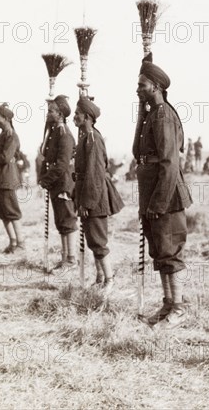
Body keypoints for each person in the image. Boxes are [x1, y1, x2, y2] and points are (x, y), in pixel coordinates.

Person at [132, 54, 193, 330]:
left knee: (170, 250)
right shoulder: (151, 115)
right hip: (153, 192)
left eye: (142, 85)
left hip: (165, 195)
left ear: (156, 87)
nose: (137, 90)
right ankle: (168, 303)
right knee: (159, 250)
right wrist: (141, 113)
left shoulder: (164, 116)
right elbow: (137, 152)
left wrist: (158, 202)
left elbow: (169, 163)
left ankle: (179, 308)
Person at [73, 96, 124, 294]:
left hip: (94, 198)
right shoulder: (86, 138)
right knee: (93, 239)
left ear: (86, 117)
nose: (74, 117)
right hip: (88, 196)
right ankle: (100, 277)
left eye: (77, 114)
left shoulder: (93, 139)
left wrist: (87, 202)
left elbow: (94, 175)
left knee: (98, 240)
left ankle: (110, 280)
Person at [39, 95, 78, 270]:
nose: (48, 114)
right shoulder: (55, 132)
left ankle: (71, 259)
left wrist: (46, 180)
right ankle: (65, 258)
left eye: (51, 111)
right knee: (61, 222)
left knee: (67, 221)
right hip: (56, 183)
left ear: (60, 114)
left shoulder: (64, 135)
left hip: (63, 183)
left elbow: (62, 164)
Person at [0, 103, 24, 254]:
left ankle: (21, 243)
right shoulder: (2, 135)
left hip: (7, 179)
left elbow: (4, 157)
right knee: (3, 213)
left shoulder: (12, 136)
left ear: (6, 118)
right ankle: (13, 242)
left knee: (12, 212)